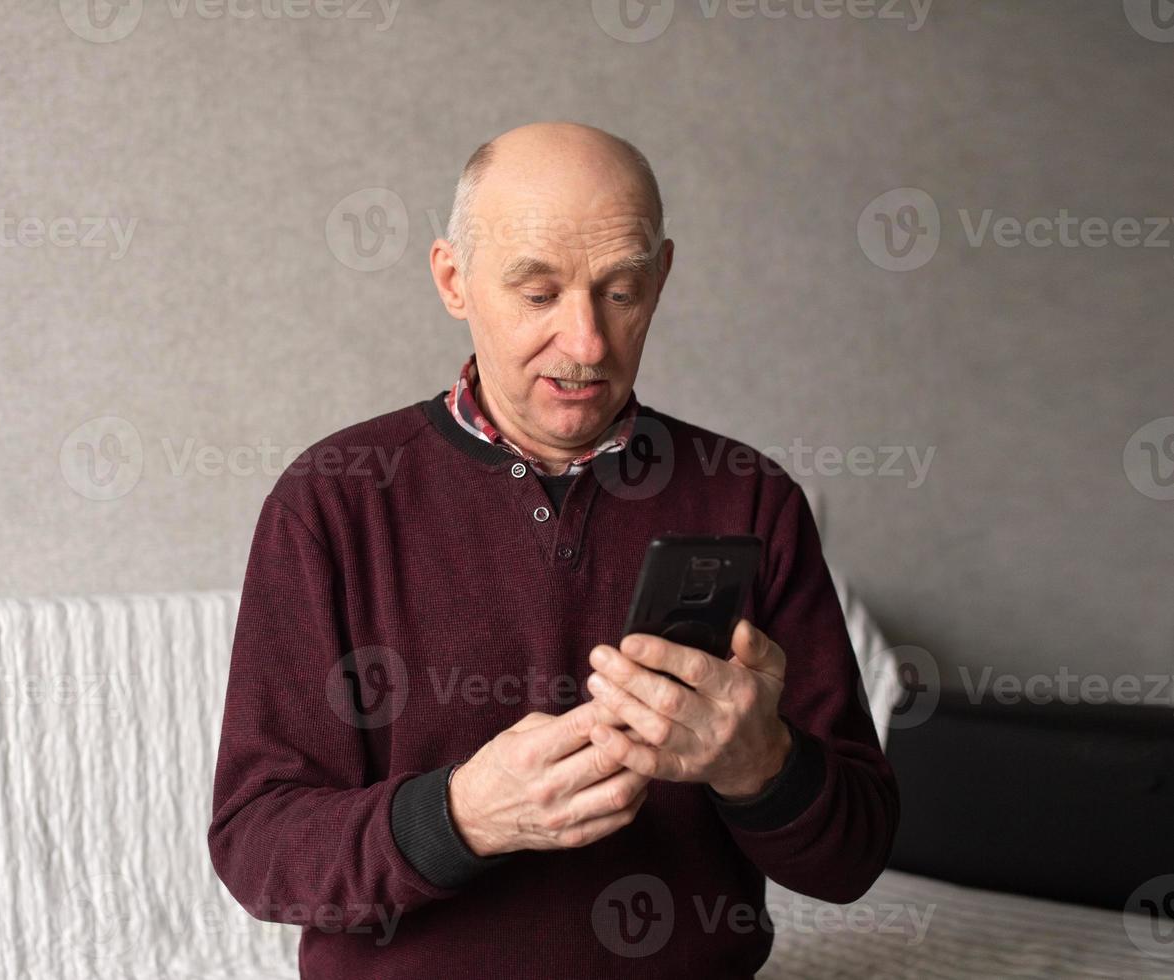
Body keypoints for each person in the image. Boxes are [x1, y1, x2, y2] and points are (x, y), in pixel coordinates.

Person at [208, 121, 898, 979]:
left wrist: (761, 766)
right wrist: (461, 817)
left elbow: (853, 857)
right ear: (452, 279)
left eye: (620, 290)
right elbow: (256, 847)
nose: (586, 343)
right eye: (538, 294)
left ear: (662, 279)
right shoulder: (331, 500)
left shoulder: (751, 497)